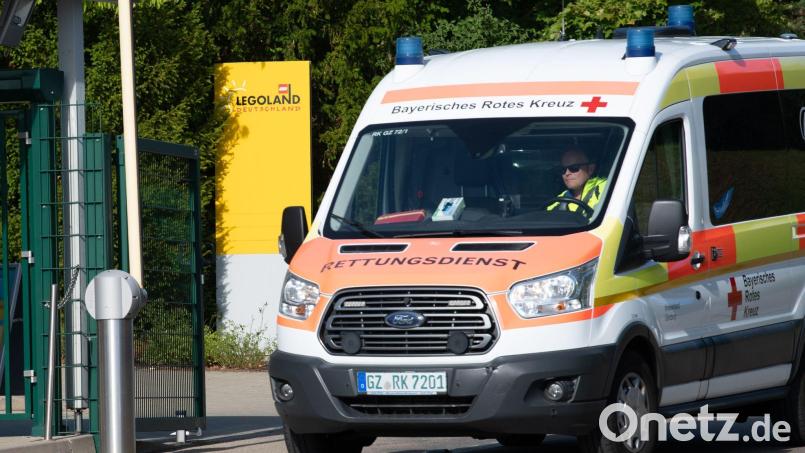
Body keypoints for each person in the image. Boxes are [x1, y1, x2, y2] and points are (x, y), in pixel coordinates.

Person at [547, 148, 606, 213]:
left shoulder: (606, 188)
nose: (567, 173)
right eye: (563, 169)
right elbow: (547, 216)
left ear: (590, 169)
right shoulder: (561, 198)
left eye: (574, 168)